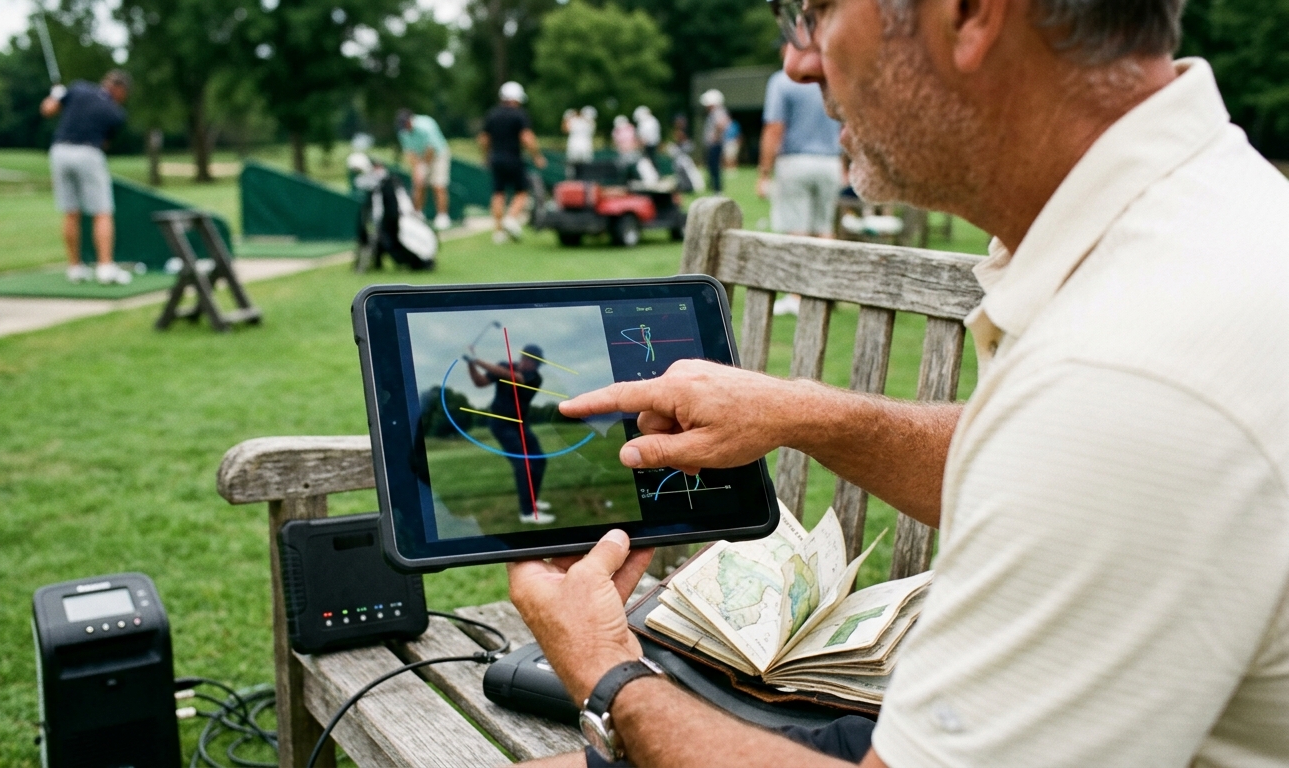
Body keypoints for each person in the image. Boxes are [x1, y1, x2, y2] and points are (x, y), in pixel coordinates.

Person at [507, 1, 1289, 767]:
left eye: (815, 10)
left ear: (971, 14)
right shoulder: (1203, 224)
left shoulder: (1125, 374)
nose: (797, 59)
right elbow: (1038, 463)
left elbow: (1095, 438)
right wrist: (799, 414)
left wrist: (606, 672)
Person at [758, 43, 846, 316]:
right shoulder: (831, 76)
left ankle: (797, 297)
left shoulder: (782, 80)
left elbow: (774, 127)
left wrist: (764, 172)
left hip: (795, 161)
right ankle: (825, 294)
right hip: (830, 162)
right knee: (824, 231)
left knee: (797, 231)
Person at [40, 70, 131, 285]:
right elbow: (105, 143)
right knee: (102, 212)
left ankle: (75, 268)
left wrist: (56, 95)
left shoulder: (78, 88)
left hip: (59, 152)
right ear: (119, 90)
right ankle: (105, 267)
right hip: (88, 153)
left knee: (70, 211)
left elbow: (47, 109)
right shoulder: (116, 113)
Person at [465, 344, 556, 524]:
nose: (534, 366)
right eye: (532, 361)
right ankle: (527, 513)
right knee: (522, 464)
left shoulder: (535, 378)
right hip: (500, 424)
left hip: (521, 424)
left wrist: (476, 359)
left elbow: (512, 377)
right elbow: (480, 383)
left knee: (539, 460)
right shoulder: (503, 366)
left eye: (537, 364)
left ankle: (532, 502)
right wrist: (470, 364)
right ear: (525, 358)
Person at [478, 81, 547, 245]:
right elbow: (527, 137)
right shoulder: (519, 114)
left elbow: (483, 139)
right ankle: (511, 218)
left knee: (498, 193)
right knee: (522, 191)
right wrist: (537, 156)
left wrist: (486, 156)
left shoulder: (492, 114)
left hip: (496, 158)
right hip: (513, 158)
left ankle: (498, 232)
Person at [395, 108, 453, 231]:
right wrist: (417, 168)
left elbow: (431, 149)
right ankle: (418, 215)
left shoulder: (426, 125)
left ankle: (443, 216)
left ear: (411, 120)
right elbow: (409, 152)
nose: (405, 127)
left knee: (438, 185)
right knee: (418, 185)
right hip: (420, 158)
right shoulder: (402, 132)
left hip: (438, 155)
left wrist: (423, 166)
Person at [699, 89, 730, 192]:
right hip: (714, 144)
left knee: (715, 167)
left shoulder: (717, 112)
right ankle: (715, 187)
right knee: (713, 167)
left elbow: (722, 124)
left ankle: (717, 189)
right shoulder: (717, 112)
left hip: (715, 144)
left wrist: (715, 136)